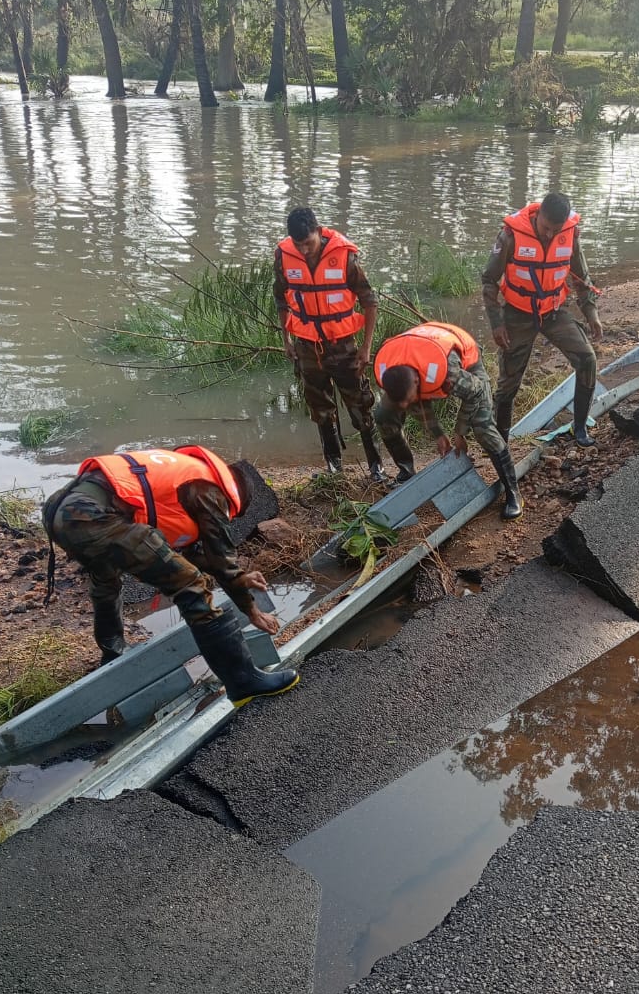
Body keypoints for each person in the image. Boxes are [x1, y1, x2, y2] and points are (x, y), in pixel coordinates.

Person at [42, 445, 299, 706]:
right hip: (90, 515)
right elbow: (221, 559)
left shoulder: (187, 477)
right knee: (190, 584)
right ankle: (244, 682)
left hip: (63, 511)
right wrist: (251, 610)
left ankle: (114, 654)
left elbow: (188, 556)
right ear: (236, 496)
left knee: (106, 580)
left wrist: (240, 578)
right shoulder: (211, 490)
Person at [273, 207, 389, 483]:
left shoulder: (345, 257)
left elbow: (369, 301)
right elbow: (281, 298)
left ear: (319, 231)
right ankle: (334, 467)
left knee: (360, 405)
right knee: (320, 409)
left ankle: (376, 466)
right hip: (307, 347)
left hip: (342, 347)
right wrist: (286, 339)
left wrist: (366, 348)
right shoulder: (284, 257)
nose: (303, 250)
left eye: (308, 244)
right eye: (298, 245)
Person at [481, 192, 603, 447]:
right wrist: (497, 323)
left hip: (553, 311)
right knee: (508, 385)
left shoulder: (570, 234)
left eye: (555, 230)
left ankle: (579, 429)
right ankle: (499, 444)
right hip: (517, 313)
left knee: (587, 359)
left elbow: (581, 277)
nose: (549, 235)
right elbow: (489, 280)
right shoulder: (511, 236)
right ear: (538, 216)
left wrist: (591, 314)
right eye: (546, 228)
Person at [373, 321, 523, 520]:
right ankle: (407, 473)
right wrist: (439, 435)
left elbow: (476, 392)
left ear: (417, 382)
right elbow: (417, 403)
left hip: (467, 362)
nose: (407, 406)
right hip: (417, 355)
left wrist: (460, 432)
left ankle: (513, 493)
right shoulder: (389, 370)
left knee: (483, 430)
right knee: (382, 414)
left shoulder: (448, 374)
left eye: (408, 400)